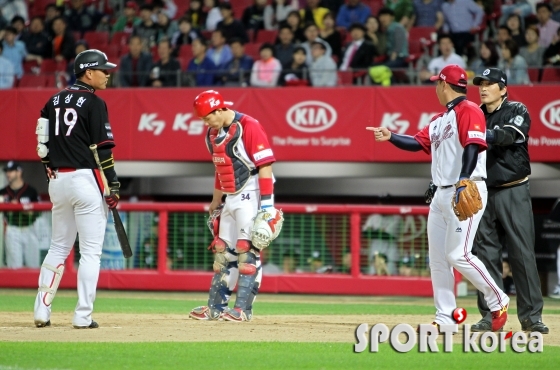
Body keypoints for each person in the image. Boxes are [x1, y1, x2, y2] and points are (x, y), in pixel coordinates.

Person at [367, 64, 510, 332]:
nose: (435, 87)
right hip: (441, 194)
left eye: (437, 82)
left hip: (465, 188)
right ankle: (445, 318)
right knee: (438, 260)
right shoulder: (438, 120)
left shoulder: (470, 110)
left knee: (458, 254)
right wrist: (390, 137)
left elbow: (473, 145)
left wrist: (464, 178)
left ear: (444, 85)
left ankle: (498, 299)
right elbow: (417, 143)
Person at [34, 49, 119, 329]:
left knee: (58, 248)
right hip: (85, 180)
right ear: (88, 72)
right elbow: (103, 149)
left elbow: (41, 144)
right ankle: (82, 316)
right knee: (91, 252)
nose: (107, 75)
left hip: (57, 180)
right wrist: (113, 184)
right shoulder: (94, 102)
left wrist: (49, 165)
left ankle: (41, 311)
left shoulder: (52, 100)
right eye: (103, 70)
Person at [189, 89, 280, 322]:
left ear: (219, 109)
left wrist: (268, 206)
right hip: (230, 196)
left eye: (208, 117)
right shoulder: (213, 133)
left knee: (246, 252)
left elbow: (265, 166)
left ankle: (243, 309)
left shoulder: (249, 125)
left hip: (252, 191)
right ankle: (216, 306)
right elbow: (222, 169)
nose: (206, 122)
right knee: (222, 252)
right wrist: (215, 200)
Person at [471, 67, 548, 334]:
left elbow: (511, 135)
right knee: (485, 257)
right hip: (482, 192)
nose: (483, 87)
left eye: (489, 84)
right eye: (480, 83)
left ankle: (531, 317)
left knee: (522, 254)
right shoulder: (475, 113)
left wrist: (480, 134)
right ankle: (491, 316)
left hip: (513, 190)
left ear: (503, 88)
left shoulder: (517, 109)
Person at [0, 161, 40, 268]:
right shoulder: (3, 192)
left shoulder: (31, 191)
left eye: (11, 171)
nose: (8, 174)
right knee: (14, 266)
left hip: (29, 227)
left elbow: (38, 212)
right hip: (12, 228)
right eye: (7, 171)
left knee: (33, 265)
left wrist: (19, 207)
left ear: (19, 172)